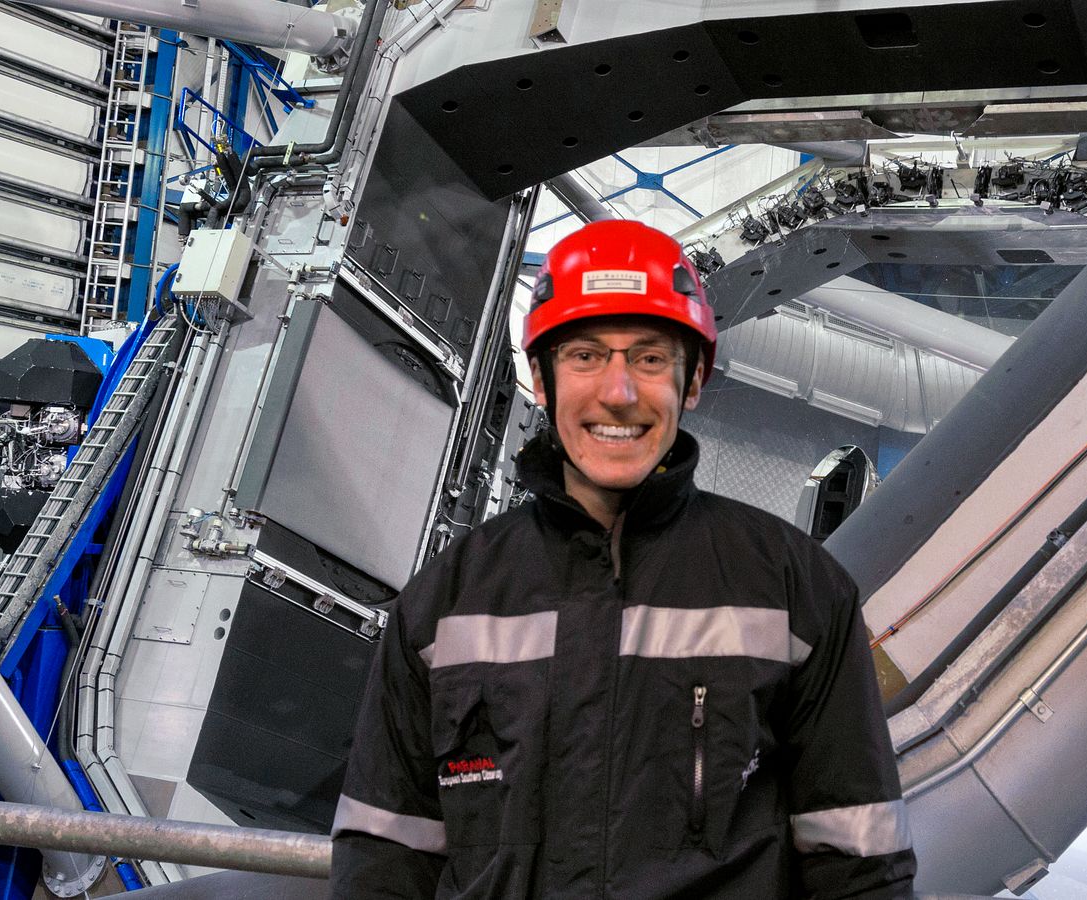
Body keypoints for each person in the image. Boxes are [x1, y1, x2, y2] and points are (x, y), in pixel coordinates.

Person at [330, 219, 917, 898]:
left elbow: (859, 861)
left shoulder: (795, 590)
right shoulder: (443, 603)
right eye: (585, 356)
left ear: (692, 382)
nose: (618, 392)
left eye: (650, 358)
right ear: (541, 379)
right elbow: (385, 855)